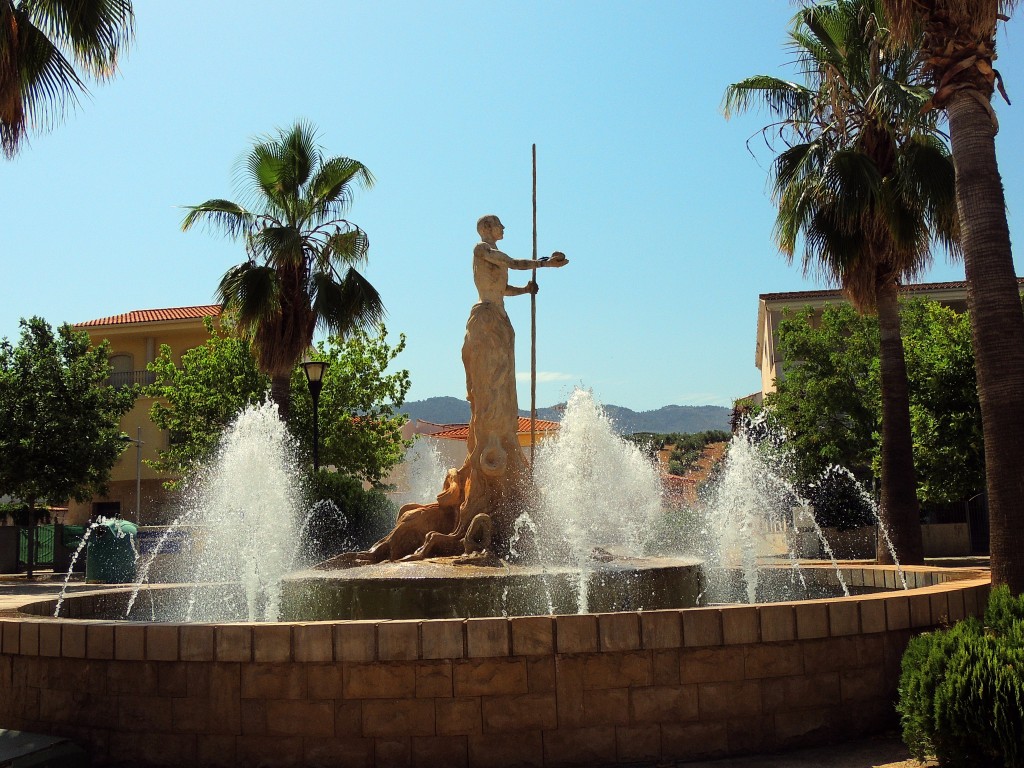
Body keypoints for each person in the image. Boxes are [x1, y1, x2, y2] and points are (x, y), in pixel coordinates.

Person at [473, 214, 568, 309]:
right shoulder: (481, 248)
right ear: (487, 227)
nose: (502, 227)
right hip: (486, 311)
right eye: (498, 224)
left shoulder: (495, 254)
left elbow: (502, 289)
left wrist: (525, 290)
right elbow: (513, 263)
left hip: (498, 311)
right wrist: (545, 263)